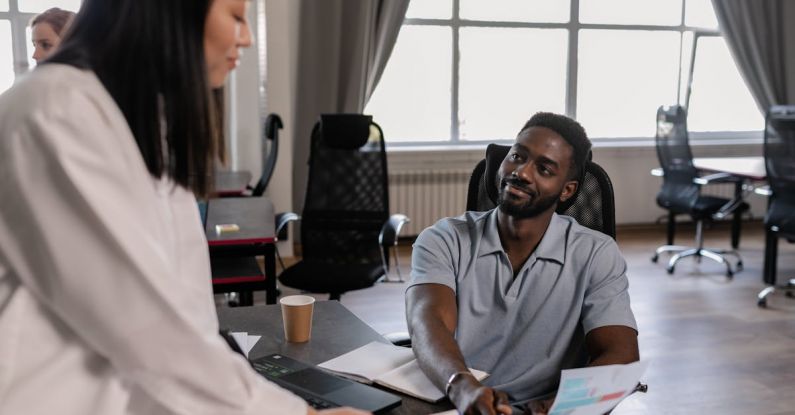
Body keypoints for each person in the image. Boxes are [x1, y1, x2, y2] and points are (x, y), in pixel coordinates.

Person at [0, 1, 366, 414]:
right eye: (236, 16)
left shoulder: (139, 125)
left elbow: (184, 318)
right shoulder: (56, 111)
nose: (245, 37)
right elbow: (149, 331)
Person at [406, 112, 639, 415]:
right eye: (517, 156)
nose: (522, 172)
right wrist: (463, 388)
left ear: (567, 190)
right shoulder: (444, 238)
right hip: (458, 403)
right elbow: (428, 324)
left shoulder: (596, 253)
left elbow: (621, 353)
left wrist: (550, 409)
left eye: (543, 168)